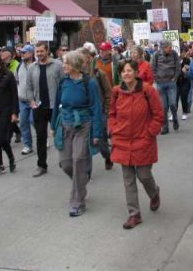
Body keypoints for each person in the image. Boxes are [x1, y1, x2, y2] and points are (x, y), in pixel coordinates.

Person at [109, 60, 164, 230]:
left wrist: (150, 133)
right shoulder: (116, 92)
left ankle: (154, 193)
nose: (126, 74)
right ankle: (134, 214)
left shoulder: (147, 90)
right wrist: (112, 129)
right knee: (128, 180)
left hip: (143, 140)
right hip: (122, 141)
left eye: (129, 70)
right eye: (123, 71)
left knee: (144, 175)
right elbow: (111, 113)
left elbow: (158, 114)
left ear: (135, 72)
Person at [51, 51, 102, 217]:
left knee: (78, 160)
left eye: (66, 63)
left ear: (74, 65)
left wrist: (97, 133)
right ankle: (81, 180)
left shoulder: (89, 83)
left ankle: (78, 202)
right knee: (65, 163)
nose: (63, 65)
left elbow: (96, 109)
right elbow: (57, 104)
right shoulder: (63, 81)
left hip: (84, 125)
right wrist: (53, 125)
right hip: (65, 124)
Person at [26, 41, 64, 177]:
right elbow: (29, 87)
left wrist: (62, 103)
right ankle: (41, 165)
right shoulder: (32, 68)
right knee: (40, 137)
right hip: (39, 107)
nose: (39, 54)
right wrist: (31, 101)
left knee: (60, 135)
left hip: (55, 107)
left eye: (42, 51)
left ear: (47, 50)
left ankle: (64, 161)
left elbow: (63, 84)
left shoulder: (58, 65)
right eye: (37, 52)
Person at [79, 47, 113, 170]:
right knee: (83, 141)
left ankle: (107, 156)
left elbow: (108, 93)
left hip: (99, 111)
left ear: (89, 59)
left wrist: (106, 110)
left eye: (82, 59)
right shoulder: (75, 75)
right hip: (83, 113)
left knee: (100, 140)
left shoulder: (99, 74)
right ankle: (86, 170)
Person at [151, 40, 181, 134]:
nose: (170, 49)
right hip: (160, 84)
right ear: (163, 48)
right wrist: (156, 79)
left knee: (172, 104)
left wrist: (175, 78)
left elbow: (178, 67)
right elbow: (152, 68)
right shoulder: (156, 55)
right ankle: (165, 127)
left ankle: (175, 117)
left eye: (171, 47)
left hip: (171, 83)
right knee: (163, 107)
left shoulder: (174, 54)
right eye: (169, 47)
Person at [16, 44, 36, 155]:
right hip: (22, 100)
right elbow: (17, 81)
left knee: (33, 121)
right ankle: (27, 145)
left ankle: (42, 139)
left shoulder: (36, 66)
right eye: (21, 52)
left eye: (24, 52)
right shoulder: (19, 66)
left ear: (31, 53)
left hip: (34, 100)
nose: (22, 54)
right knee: (23, 123)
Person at [176, 47, 192, 120]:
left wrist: (187, 68)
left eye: (184, 52)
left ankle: (184, 112)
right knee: (174, 98)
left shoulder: (187, 60)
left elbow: (190, 69)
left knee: (184, 97)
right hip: (176, 81)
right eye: (181, 52)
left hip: (185, 81)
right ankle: (174, 113)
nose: (182, 54)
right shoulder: (174, 60)